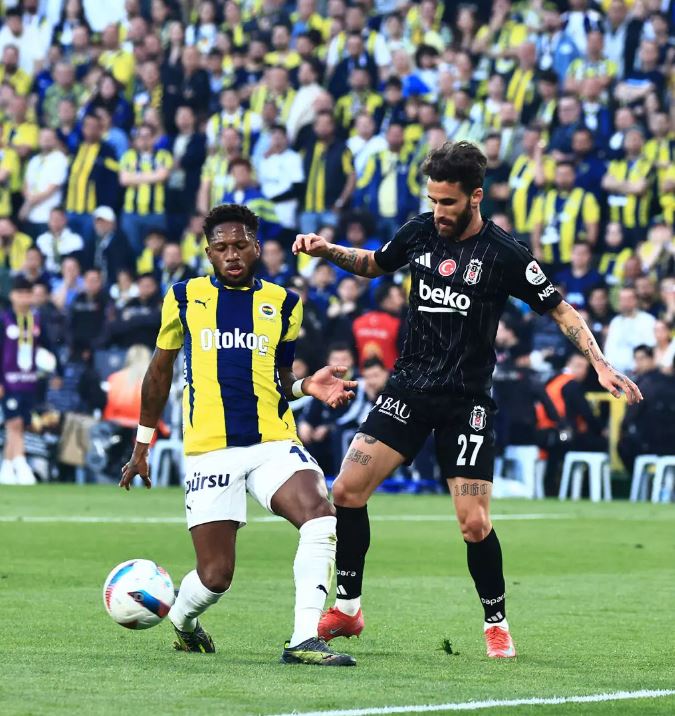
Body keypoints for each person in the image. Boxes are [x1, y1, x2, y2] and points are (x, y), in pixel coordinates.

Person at [293, 140, 642, 658]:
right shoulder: (419, 231)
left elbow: (561, 310)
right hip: (409, 390)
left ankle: (496, 624)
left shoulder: (504, 254)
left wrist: (600, 363)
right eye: (433, 200)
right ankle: (347, 608)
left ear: (475, 197)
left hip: (467, 402)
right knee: (345, 490)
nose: (438, 211)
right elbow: (373, 263)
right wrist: (328, 250)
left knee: (474, 523)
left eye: (448, 202)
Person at [120, 203, 357, 666]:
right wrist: (142, 445)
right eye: (222, 247)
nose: (232, 254)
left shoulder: (284, 303)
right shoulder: (183, 298)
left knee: (320, 517)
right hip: (211, 450)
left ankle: (304, 639)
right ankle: (183, 622)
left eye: (240, 245)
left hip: (273, 442)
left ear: (257, 248)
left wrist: (305, 386)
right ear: (208, 252)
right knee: (215, 577)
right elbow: (158, 373)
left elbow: (280, 379)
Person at [0, 276, 50, 485]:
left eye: (28, 293)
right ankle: (20, 463)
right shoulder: (3, 320)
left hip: (29, 382)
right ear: (12, 295)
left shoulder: (36, 320)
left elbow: (48, 346)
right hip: (8, 382)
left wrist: (54, 368)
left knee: (20, 424)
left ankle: (7, 466)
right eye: (20, 293)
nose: (24, 298)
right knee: (14, 422)